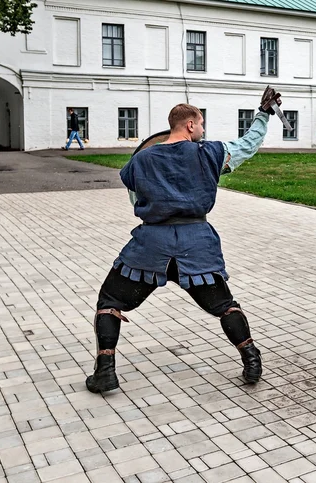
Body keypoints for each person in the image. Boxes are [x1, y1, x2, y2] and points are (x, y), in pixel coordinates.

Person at [85, 87, 282, 393]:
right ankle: (251, 360)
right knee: (225, 306)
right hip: (197, 244)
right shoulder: (210, 153)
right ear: (190, 125)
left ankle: (105, 372)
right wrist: (263, 115)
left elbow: (134, 196)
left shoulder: (142, 159)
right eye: (201, 125)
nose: (203, 131)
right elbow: (246, 146)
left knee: (110, 302)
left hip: (151, 245)